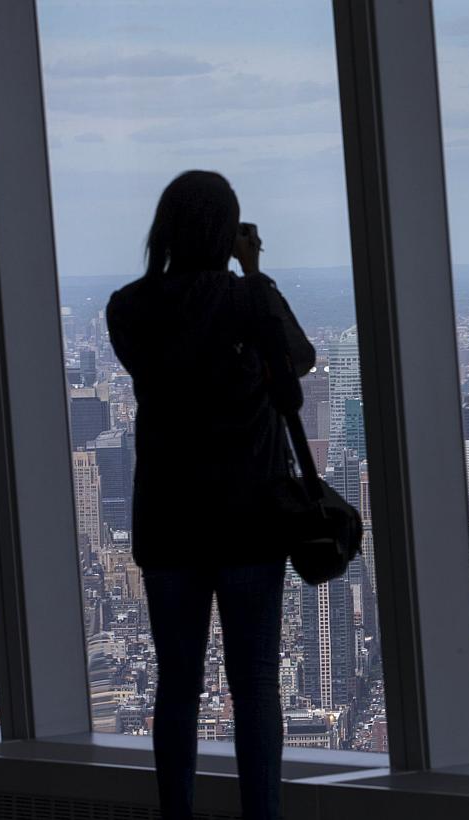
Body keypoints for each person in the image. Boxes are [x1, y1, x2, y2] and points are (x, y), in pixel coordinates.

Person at [107, 170, 314, 819]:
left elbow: (162, 361)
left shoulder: (127, 308)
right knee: (254, 684)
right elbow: (299, 357)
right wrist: (252, 272)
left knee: (177, 685)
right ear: (228, 231)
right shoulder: (245, 301)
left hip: (169, 521)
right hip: (251, 517)